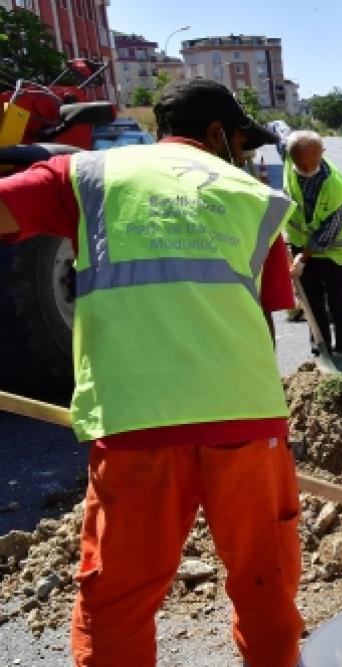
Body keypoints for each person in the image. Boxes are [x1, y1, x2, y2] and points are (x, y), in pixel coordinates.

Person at [0, 79, 304, 665]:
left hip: (136, 422)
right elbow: (263, 324)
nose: (243, 156)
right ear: (216, 132)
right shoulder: (253, 196)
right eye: (241, 142)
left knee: (117, 601)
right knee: (265, 584)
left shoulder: (87, 177)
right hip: (246, 419)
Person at [283, 130, 342, 364]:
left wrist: (303, 258)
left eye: (313, 163)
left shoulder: (334, 185)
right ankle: (320, 350)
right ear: (291, 158)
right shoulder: (289, 168)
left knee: (338, 303)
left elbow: (329, 230)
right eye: (301, 165)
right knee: (311, 302)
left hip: (332, 251)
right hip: (301, 246)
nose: (307, 169)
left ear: (322, 153)